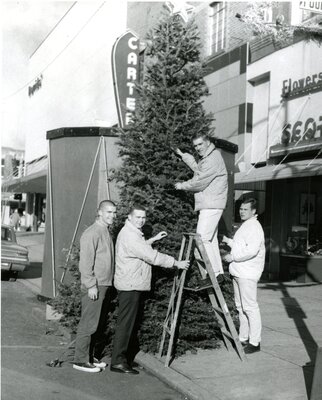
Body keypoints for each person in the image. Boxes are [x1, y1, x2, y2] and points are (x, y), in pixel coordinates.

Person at [110, 204, 189, 375]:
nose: (141, 220)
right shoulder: (130, 235)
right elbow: (151, 256)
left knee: (128, 323)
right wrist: (176, 263)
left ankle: (123, 359)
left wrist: (151, 240)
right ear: (129, 217)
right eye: (137, 217)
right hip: (130, 285)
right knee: (126, 324)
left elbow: (138, 248)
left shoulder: (131, 233)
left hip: (130, 283)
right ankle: (117, 361)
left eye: (143, 217)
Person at [174, 133, 228, 280]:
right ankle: (218, 273)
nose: (198, 148)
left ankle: (213, 274)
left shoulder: (212, 159)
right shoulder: (209, 157)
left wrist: (181, 186)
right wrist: (183, 155)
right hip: (212, 204)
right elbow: (198, 169)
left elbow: (199, 181)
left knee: (202, 240)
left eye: (200, 144)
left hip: (210, 204)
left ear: (208, 142)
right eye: (195, 146)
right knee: (211, 240)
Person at [73, 200, 117, 373]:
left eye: (114, 212)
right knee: (88, 324)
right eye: (108, 212)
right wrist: (91, 285)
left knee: (96, 324)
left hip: (104, 284)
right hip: (95, 286)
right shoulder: (92, 233)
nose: (112, 216)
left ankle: (89, 357)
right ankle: (80, 360)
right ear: (99, 212)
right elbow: (85, 263)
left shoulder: (104, 231)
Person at [222, 198, 265, 354]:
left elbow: (251, 250)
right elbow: (241, 246)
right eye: (241, 209)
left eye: (246, 209)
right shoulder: (246, 225)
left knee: (250, 307)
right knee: (241, 307)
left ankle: (255, 342)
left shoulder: (254, 226)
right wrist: (228, 241)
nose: (242, 211)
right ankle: (243, 338)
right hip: (239, 272)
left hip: (247, 273)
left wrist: (232, 257)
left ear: (254, 211)